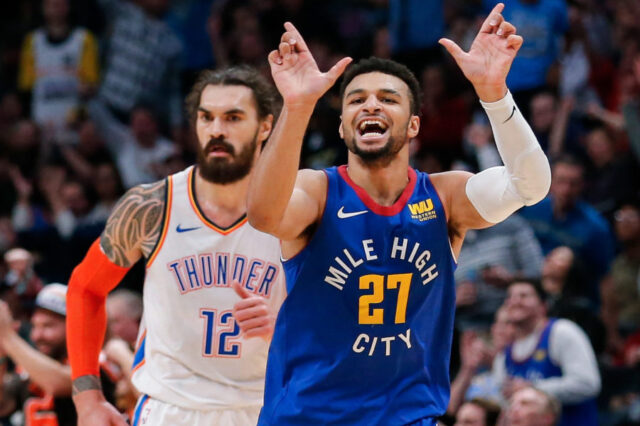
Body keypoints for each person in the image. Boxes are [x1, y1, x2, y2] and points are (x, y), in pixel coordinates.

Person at [248, 3, 552, 423]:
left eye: (387, 99)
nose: (370, 106)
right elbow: (264, 215)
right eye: (357, 99)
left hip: (409, 416)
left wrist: (494, 95)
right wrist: (297, 107)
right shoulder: (318, 191)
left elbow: (531, 186)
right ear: (342, 125)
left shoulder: (445, 196)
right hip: (308, 415)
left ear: (413, 125)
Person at [66, 66, 286, 426]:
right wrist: (88, 398)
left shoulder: (296, 211)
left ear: (265, 126)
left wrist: (286, 324)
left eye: (233, 117)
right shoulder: (152, 206)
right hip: (170, 411)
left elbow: (335, 316)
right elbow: (85, 288)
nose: (216, 129)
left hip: (266, 406)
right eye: (206, 117)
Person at [0, 283, 115, 426]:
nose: (37, 335)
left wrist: (8, 337)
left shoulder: (100, 361)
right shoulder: (30, 367)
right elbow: (3, 402)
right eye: (34, 326)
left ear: (75, 327)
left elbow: (58, 384)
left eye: (48, 326)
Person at [493, 280, 600, 426]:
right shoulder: (504, 353)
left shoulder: (561, 332)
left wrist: (533, 388)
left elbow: (588, 384)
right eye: (510, 296)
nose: (515, 301)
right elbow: (504, 403)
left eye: (523, 296)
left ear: (543, 305)